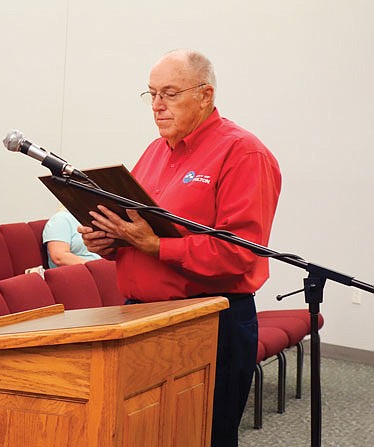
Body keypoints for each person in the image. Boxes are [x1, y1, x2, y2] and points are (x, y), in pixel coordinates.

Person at [78, 49, 281, 447]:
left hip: (208, 320)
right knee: (150, 435)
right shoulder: (156, 151)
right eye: (151, 94)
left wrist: (156, 247)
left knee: (202, 436)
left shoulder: (243, 152)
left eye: (169, 94)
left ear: (205, 95)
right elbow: (139, 235)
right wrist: (109, 241)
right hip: (143, 317)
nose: (156, 106)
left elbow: (239, 254)